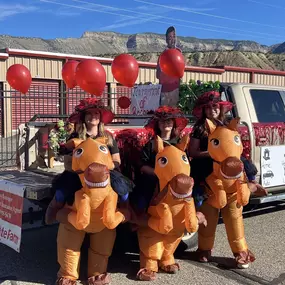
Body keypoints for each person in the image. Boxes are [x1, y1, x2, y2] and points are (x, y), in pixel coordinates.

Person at [188, 87, 267, 208]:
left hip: (228, 159)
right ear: (203, 110)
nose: (211, 110)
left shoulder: (227, 125)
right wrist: (212, 153)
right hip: (208, 159)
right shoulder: (199, 128)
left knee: (242, 159)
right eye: (208, 107)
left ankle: (252, 182)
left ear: (220, 108)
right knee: (199, 167)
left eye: (214, 106)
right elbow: (192, 152)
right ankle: (199, 194)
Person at [130, 106, 189, 213]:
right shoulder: (151, 144)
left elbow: (187, 163)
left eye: (169, 121)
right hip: (153, 180)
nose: (165, 123)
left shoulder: (180, 143)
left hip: (177, 181)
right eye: (162, 121)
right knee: (141, 202)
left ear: (173, 124)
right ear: (158, 125)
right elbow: (142, 165)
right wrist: (158, 173)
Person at [156, 26, 181, 107]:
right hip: (164, 90)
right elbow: (157, 75)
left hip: (175, 89)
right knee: (164, 114)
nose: (172, 39)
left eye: (174, 36)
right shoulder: (162, 55)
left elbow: (181, 71)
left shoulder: (179, 52)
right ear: (166, 39)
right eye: (170, 37)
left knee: (175, 114)